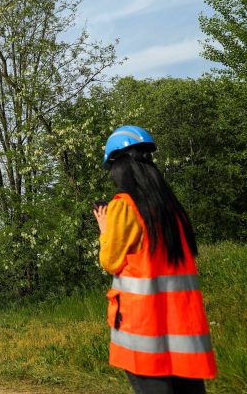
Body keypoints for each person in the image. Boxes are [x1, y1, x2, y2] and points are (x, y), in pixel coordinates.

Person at [93, 126, 217, 394]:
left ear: (119, 166)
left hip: (144, 334)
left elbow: (111, 261)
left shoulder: (124, 206)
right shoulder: (174, 211)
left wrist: (104, 231)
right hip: (183, 332)